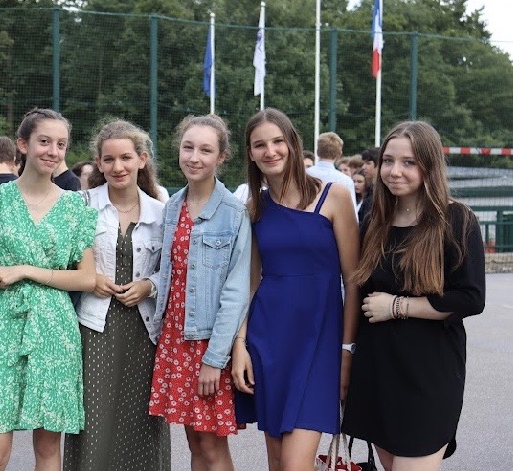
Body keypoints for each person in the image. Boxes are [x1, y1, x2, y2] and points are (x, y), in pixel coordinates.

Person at [342, 121, 485, 469]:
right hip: (376, 370)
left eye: (408, 162)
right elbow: (356, 289)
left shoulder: (456, 219)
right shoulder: (374, 219)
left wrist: (397, 306)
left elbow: (470, 297)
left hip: (429, 373)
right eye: (388, 161)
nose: (395, 171)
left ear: (429, 165)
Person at [0, 108, 97, 471]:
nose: (53, 151)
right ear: (22, 145)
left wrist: (26, 270)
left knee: (48, 449)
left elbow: (87, 278)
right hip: (1, 326)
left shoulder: (74, 206)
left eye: (61, 144)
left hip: (54, 329)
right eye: (44, 141)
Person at [232, 108, 360, 470]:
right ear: (250, 153)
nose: (270, 151)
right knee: (277, 461)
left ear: (292, 143)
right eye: (260, 145)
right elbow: (250, 282)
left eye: (277, 141)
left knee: (294, 464)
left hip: (320, 342)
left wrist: (347, 349)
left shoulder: (334, 196)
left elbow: (353, 281)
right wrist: (239, 345)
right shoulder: (254, 208)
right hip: (268, 340)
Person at [64, 119, 170, 470]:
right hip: (95, 326)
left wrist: (149, 285)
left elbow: (173, 270)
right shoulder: (81, 205)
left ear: (142, 159)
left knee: (142, 419)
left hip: (145, 330)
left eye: (125, 158)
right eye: (108, 159)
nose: (117, 167)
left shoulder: (162, 212)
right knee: (94, 415)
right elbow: (62, 259)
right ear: (98, 162)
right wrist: (89, 278)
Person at [149, 114, 251, 470]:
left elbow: (237, 291)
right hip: (174, 340)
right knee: (195, 444)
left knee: (211, 447)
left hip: (208, 343)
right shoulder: (173, 206)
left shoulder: (234, 212)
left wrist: (215, 359)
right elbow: (170, 275)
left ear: (221, 157)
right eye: (188, 147)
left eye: (205, 150)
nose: (194, 157)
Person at [307, 132, 357, 211]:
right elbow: (352, 212)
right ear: (339, 154)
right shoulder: (346, 181)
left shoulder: (303, 175)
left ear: (317, 152)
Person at [358, 147, 379, 223]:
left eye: (368, 163)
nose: (363, 167)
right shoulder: (371, 189)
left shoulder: (381, 192)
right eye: (364, 163)